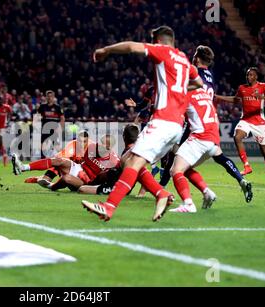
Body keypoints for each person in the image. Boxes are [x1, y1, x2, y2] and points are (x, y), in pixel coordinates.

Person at [82, 25, 203, 222]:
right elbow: (198, 83)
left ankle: (109, 207)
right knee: (127, 160)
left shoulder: (163, 51)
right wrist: (178, 88)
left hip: (162, 121)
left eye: (154, 40)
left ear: (160, 40)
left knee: (133, 162)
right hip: (176, 126)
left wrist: (106, 50)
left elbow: (131, 47)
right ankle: (161, 194)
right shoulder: (185, 60)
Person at [169, 45, 253, 214]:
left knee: (175, 168)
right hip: (212, 128)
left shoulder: (189, 86)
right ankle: (208, 192)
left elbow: (176, 111)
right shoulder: (209, 79)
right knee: (203, 161)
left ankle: (186, 202)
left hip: (199, 131)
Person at [216, 67, 265, 182]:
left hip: (259, 122)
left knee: (264, 150)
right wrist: (218, 97)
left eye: (251, 75)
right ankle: (247, 165)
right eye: (247, 75)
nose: (248, 77)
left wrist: (262, 97)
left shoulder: (263, 86)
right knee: (237, 136)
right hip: (245, 120)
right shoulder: (242, 88)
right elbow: (236, 100)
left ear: (256, 76)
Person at [37, 90, 65, 158]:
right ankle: (42, 160)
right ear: (46, 97)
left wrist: (60, 128)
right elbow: (37, 116)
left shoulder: (57, 107)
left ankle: (59, 159)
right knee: (43, 145)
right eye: (48, 96)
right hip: (45, 129)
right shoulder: (42, 106)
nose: (49, 98)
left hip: (54, 129)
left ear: (53, 97)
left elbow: (62, 118)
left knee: (56, 146)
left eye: (51, 96)